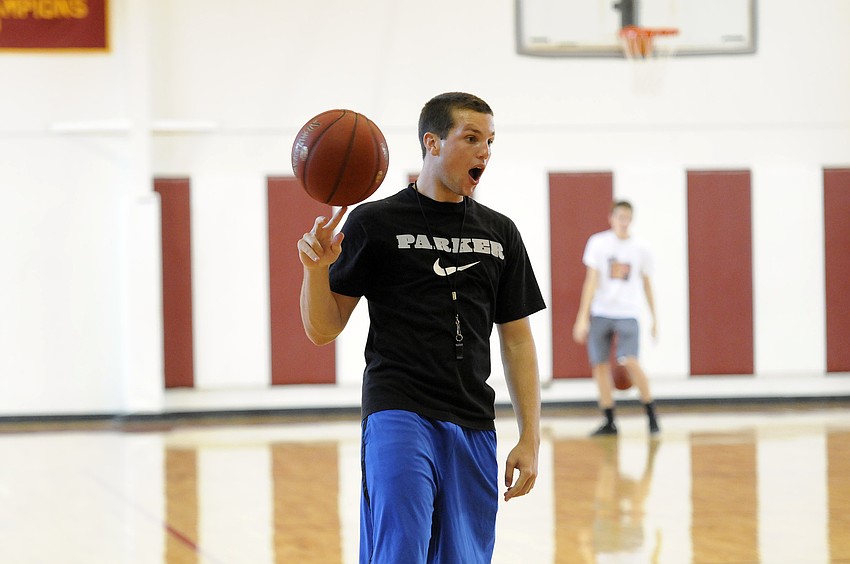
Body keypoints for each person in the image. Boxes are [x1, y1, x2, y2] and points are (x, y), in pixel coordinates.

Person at [297, 92, 546, 563]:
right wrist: (315, 270)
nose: (484, 152)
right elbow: (322, 329)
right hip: (399, 411)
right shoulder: (375, 222)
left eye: (490, 141)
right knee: (400, 552)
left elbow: (517, 341)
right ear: (431, 142)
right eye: (471, 138)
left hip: (473, 421)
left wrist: (530, 438)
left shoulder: (501, 233)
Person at [572, 200, 659, 436]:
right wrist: (582, 317)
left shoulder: (641, 248)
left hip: (628, 312)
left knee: (629, 360)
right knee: (599, 364)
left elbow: (647, 284)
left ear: (631, 220)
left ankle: (651, 413)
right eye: (620, 216)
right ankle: (609, 420)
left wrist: (654, 318)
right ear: (611, 218)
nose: (623, 221)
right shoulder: (598, 243)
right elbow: (591, 281)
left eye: (627, 217)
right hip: (601, 311)